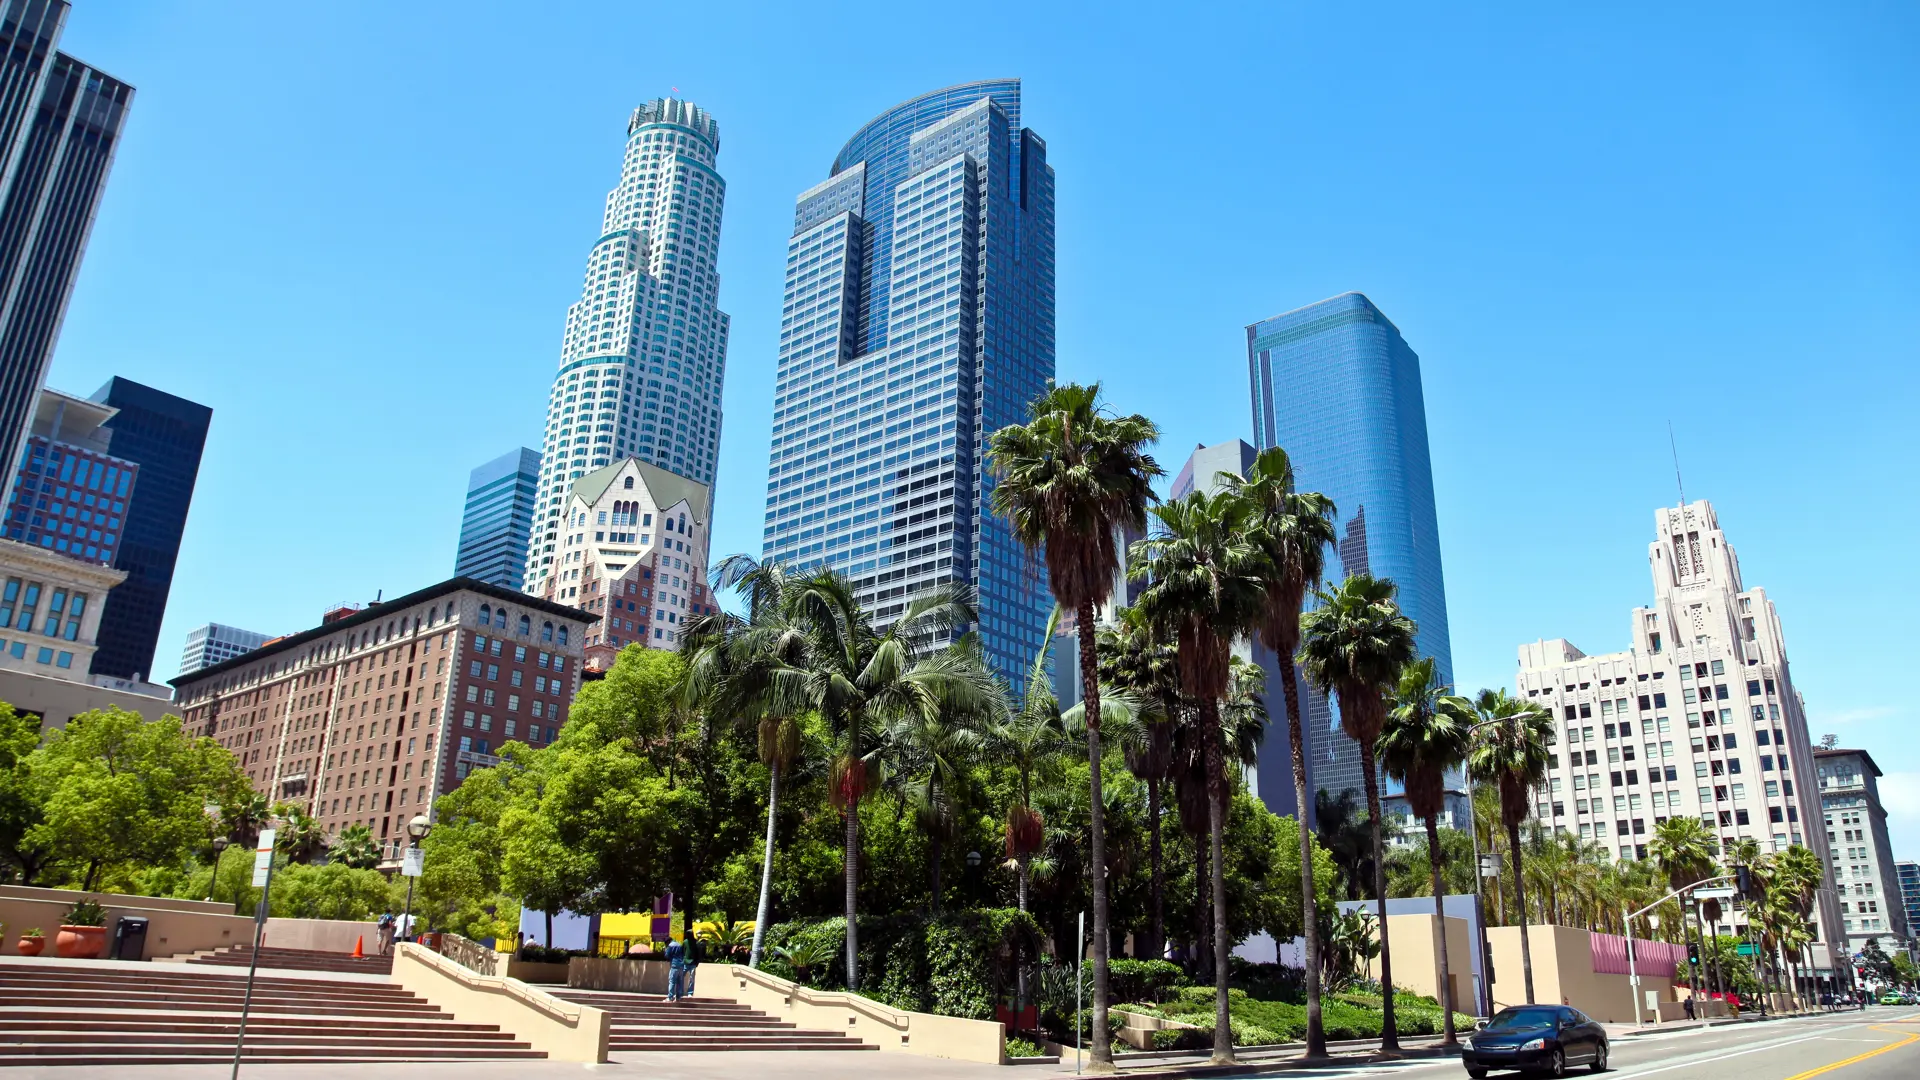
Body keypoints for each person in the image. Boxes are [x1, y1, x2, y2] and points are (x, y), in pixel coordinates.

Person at [665, 936, 687, 1002]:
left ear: (667, 942)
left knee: (672, 981)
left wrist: (666, 951)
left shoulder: (670, 946)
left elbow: (667, 956)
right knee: (679, 982)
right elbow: (683, 954)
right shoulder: (679, 944)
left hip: (674, 965)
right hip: (681, 965)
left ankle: (670, 997)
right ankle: (678, 997)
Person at [684, 933, 704, 997]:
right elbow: (683, 951)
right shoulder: (685, 942)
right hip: (686, 963)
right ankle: (680, 991)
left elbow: (698, 953)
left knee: (691, 979)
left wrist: (697, 962)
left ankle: (690, 992)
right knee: (681, 977)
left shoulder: (696, 943)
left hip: (692, 963)